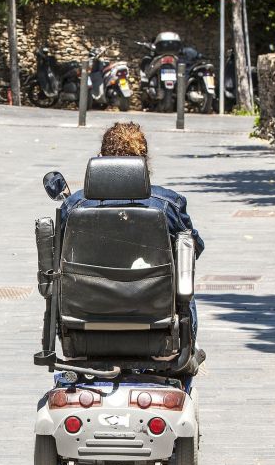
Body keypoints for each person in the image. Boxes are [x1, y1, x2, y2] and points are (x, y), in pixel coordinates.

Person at [61, 121, 204, 344]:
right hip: (156, 317)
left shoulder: (74, 206)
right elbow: (193, 249)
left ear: (101, 157)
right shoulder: (167, 205)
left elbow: (59, 252)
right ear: (144, 161)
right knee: (183, 274)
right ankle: (187, 349)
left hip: (85, 318)